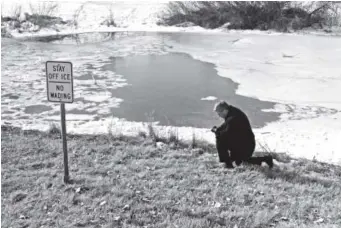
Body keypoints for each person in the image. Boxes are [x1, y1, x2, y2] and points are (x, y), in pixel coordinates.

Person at [211, 100, 273, 169]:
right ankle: (266, 159)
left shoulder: (233, 118)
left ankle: (227, 165)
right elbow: (226, 125)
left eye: (219, 113)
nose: (219, 116)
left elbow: (225, 134)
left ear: (225, 110)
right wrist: (218, 129)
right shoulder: (232, 112)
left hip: (245, 146)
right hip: (244, 143)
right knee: (239, 162)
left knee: (220, 140)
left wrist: (217, 132)